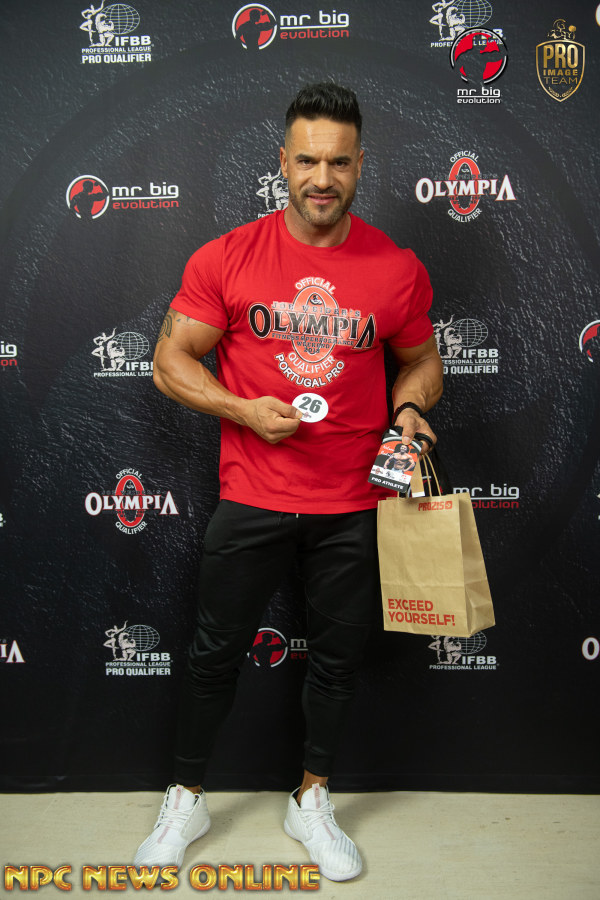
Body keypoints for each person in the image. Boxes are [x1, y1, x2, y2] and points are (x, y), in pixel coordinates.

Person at [134, 82, 443, 882]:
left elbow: (421, 360)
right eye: (307, 160)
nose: (322, 178)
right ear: (283, 161)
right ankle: (187, 797)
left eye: (338, 162)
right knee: (212, 656)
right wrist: (241, 409)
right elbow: (169, 362)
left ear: (360, 164)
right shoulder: (228, 257)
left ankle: (311, 799)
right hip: (253, 492)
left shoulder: (396, 269)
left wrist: (410, 408)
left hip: (353, 501)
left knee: (337, 662)